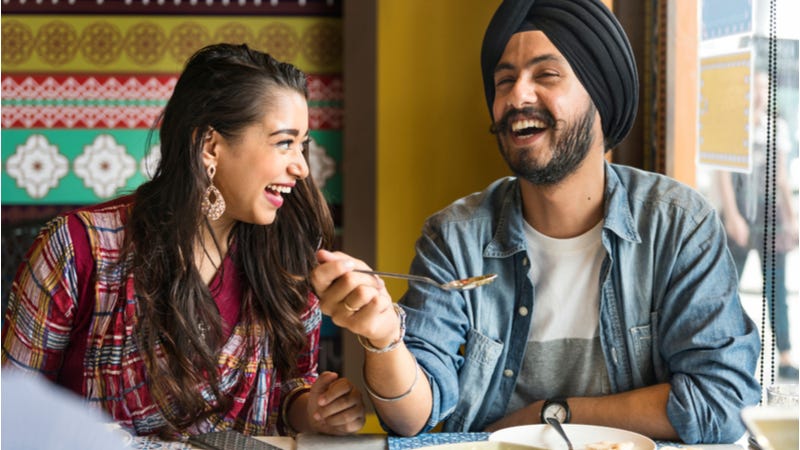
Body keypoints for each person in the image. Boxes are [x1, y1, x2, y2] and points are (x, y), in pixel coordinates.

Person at [310, 0, 761, 445]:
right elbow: (413, 420)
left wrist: (549, 415)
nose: (517, 96)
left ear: (601, 95)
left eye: (546, 75)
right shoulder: (455, 236)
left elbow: (721, 402)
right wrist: (384, 338)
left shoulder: (677, 224)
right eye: (504, 80)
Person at [2, 43, 365, 438]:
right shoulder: (77, 248)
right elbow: (14, 410)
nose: (300, 166)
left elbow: (291, 384)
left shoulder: (288, 254)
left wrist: (311, 410)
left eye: (302, 145)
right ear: (210, 146)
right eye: (283, 142)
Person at [717, 70, 799, 381]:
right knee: (727, 285)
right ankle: (727, 352)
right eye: (754, 87)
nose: (759, 93)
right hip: (739, 209)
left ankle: (787, 355)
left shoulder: (775, 126)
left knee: (776, 286)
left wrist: (792, 219)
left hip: (769, 214)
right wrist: (732, 215)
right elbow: (722, 174)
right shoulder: (730, 126)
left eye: (765, 88)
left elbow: (781, 177)